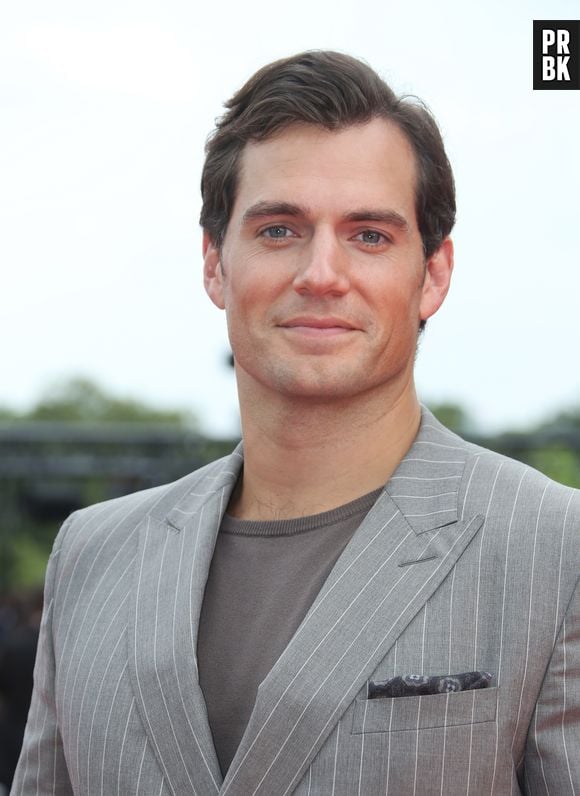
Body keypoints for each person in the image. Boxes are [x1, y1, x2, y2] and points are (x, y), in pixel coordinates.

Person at [12, 51, 580, 795]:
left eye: (369, 235)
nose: (321, 273)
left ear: (433, 274)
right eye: (280, 230)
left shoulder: (557, 549)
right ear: (215, 263)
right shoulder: (91, 557)